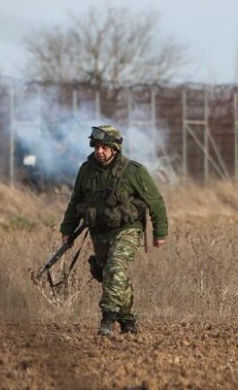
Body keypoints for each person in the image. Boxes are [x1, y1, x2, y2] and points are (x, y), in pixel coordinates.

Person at [60, 125, 168, 336]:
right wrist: (67, 229)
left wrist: (160, 232)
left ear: (115, 149)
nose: (99, 151)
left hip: (127, 230)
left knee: (115, 269)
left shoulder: (134, 171)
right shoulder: (86, 170)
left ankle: (107, 320)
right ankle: (127, 320)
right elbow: (75, 202)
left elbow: (155, 201)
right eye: (96, 147)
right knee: (109, 274)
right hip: (99, 233)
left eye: (104, 147)